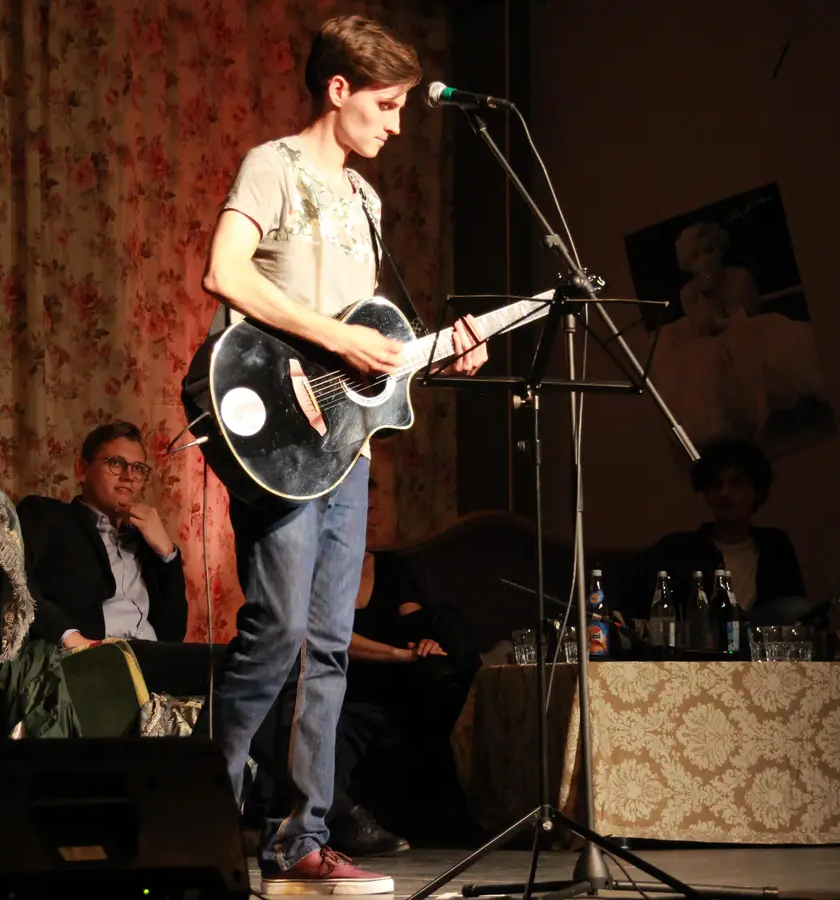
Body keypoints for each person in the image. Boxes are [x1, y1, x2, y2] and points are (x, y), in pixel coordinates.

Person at [197, 15, 487, 894]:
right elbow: (226, 274)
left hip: (343, 448)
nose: (396, 125)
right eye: (386, 105)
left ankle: (301, 839)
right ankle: (198, 813)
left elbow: (368, 348)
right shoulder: (273, 166)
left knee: (328, 642)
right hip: (276, 442)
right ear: (338, 90)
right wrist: (333, 337)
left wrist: (437, 355)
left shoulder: (366, 200)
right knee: (278, 629)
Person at [17, 421, 212, 696]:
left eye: (138, 468)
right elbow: (14, 578)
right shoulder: (48, 517)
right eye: (116, 463)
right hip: (96, 659)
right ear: (82, 470)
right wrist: (69, 637)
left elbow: (173, 632)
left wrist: (167, 553)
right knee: (241, 666)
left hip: (151, 662)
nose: (129, 476)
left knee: (249, 665)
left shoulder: (145, 541)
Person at [654, 221, 824, 447]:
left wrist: (728, 314)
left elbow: (751, 313)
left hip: (747, 330)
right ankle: (730, 427)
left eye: (709, 250)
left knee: (752, 346)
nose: (704, 259)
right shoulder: (689, 292)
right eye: (695, 255)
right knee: (707, 365)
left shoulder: (739, 277)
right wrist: (708, 294)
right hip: (710, 339)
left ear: (720, 250)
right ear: (689, 264)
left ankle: (770, 415)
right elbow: (703, 328)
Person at [626, 439, 806, 629]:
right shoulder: (677, 550)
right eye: (716, 484)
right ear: (706, 494)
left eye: (736, 483)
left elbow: (796, 615)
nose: (725, 493)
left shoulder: (775, 547)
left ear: (757, 491)